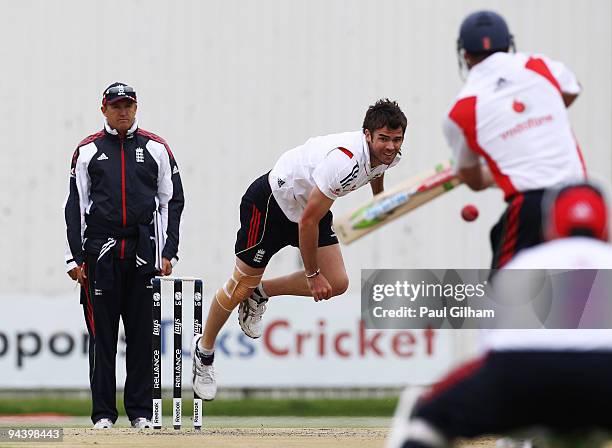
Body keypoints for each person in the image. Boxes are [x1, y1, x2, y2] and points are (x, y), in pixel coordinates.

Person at [191, 99, 407, 400]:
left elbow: (377, 171)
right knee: (240, 284)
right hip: (270, 205)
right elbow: (307, 223)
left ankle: (261, 292)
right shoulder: (343, 162)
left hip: (310, 208)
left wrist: (379, 199)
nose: (390, 146)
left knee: (338, 283)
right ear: (367, 135)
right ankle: (204, 351)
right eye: (383, 138)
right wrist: (312, 274)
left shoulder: (389, 156)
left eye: (396, 140)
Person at [386, 182, 612, 448]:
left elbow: (490, 347)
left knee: (427, 420)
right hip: (605, 374)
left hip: (519, 373)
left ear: (550, 228)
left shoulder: (524, 263)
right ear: (605, 228)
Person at [63, 82, 185, 429]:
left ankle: (141, 413)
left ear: (136, 107)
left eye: (128, 105)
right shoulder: (88, 150)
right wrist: (74, 258)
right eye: (116, 105)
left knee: (142, 334)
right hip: (100, 250)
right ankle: (103, 414)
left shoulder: (157, 148)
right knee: (102, 336)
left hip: (143, 249)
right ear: (104, 109)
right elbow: (75, 205)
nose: (122, 111)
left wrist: (168, 252)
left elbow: (171, 201)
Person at [443, 10, 586, 269]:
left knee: (508, 299)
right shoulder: (540, 66)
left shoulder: (461, 110)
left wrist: (494, 173)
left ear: (464, 55)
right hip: (582, 197)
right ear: (508, 44)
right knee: (587, 292)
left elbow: (471, 178)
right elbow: (572, 89)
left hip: (531, 208)